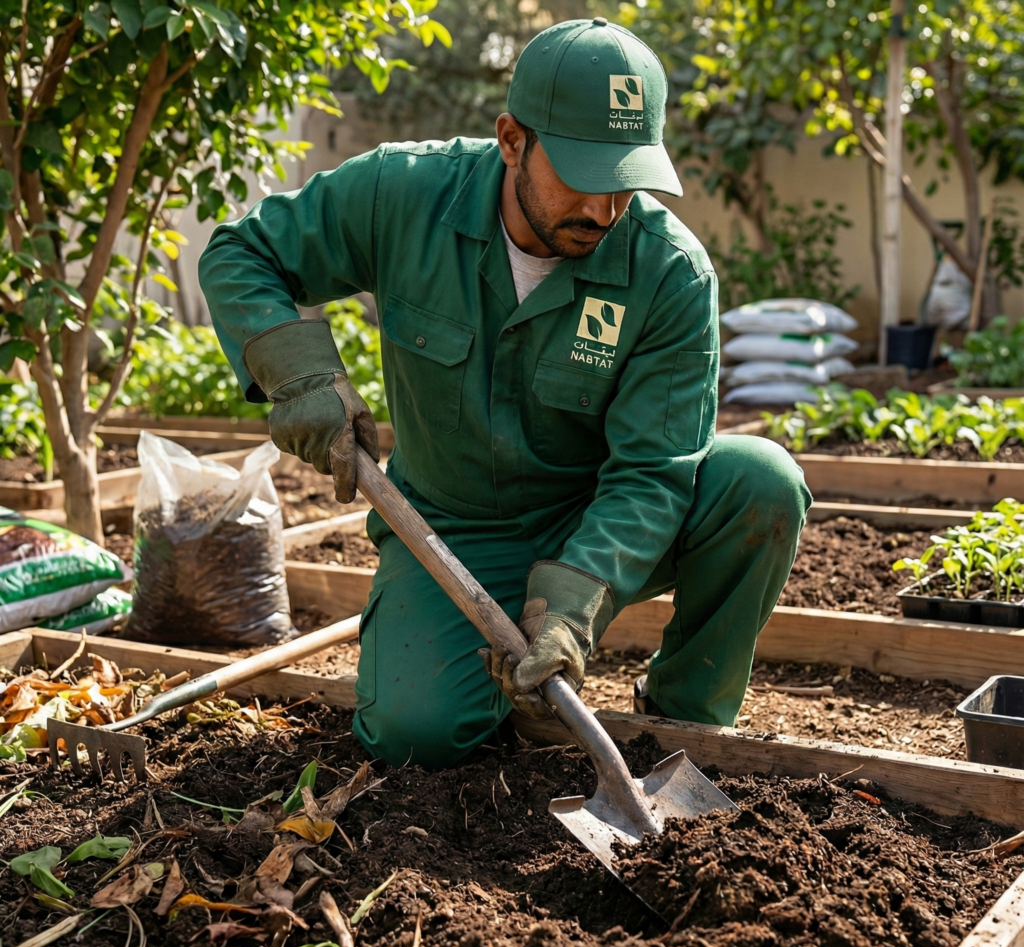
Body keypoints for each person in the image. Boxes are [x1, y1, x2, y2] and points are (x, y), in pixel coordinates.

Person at [199, 18, 811, 768]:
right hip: (455, 529)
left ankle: (682, 724)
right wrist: (296, 374)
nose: (604, 209)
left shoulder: (668, 272)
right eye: (583, 175)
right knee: (413, 734)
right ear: (512, 139)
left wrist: (572, 608)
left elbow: (652, 473)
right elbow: (242, 251)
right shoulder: (405, 194)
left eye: (626, 180)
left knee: (760, 484)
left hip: (596, 521)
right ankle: (491, 684)